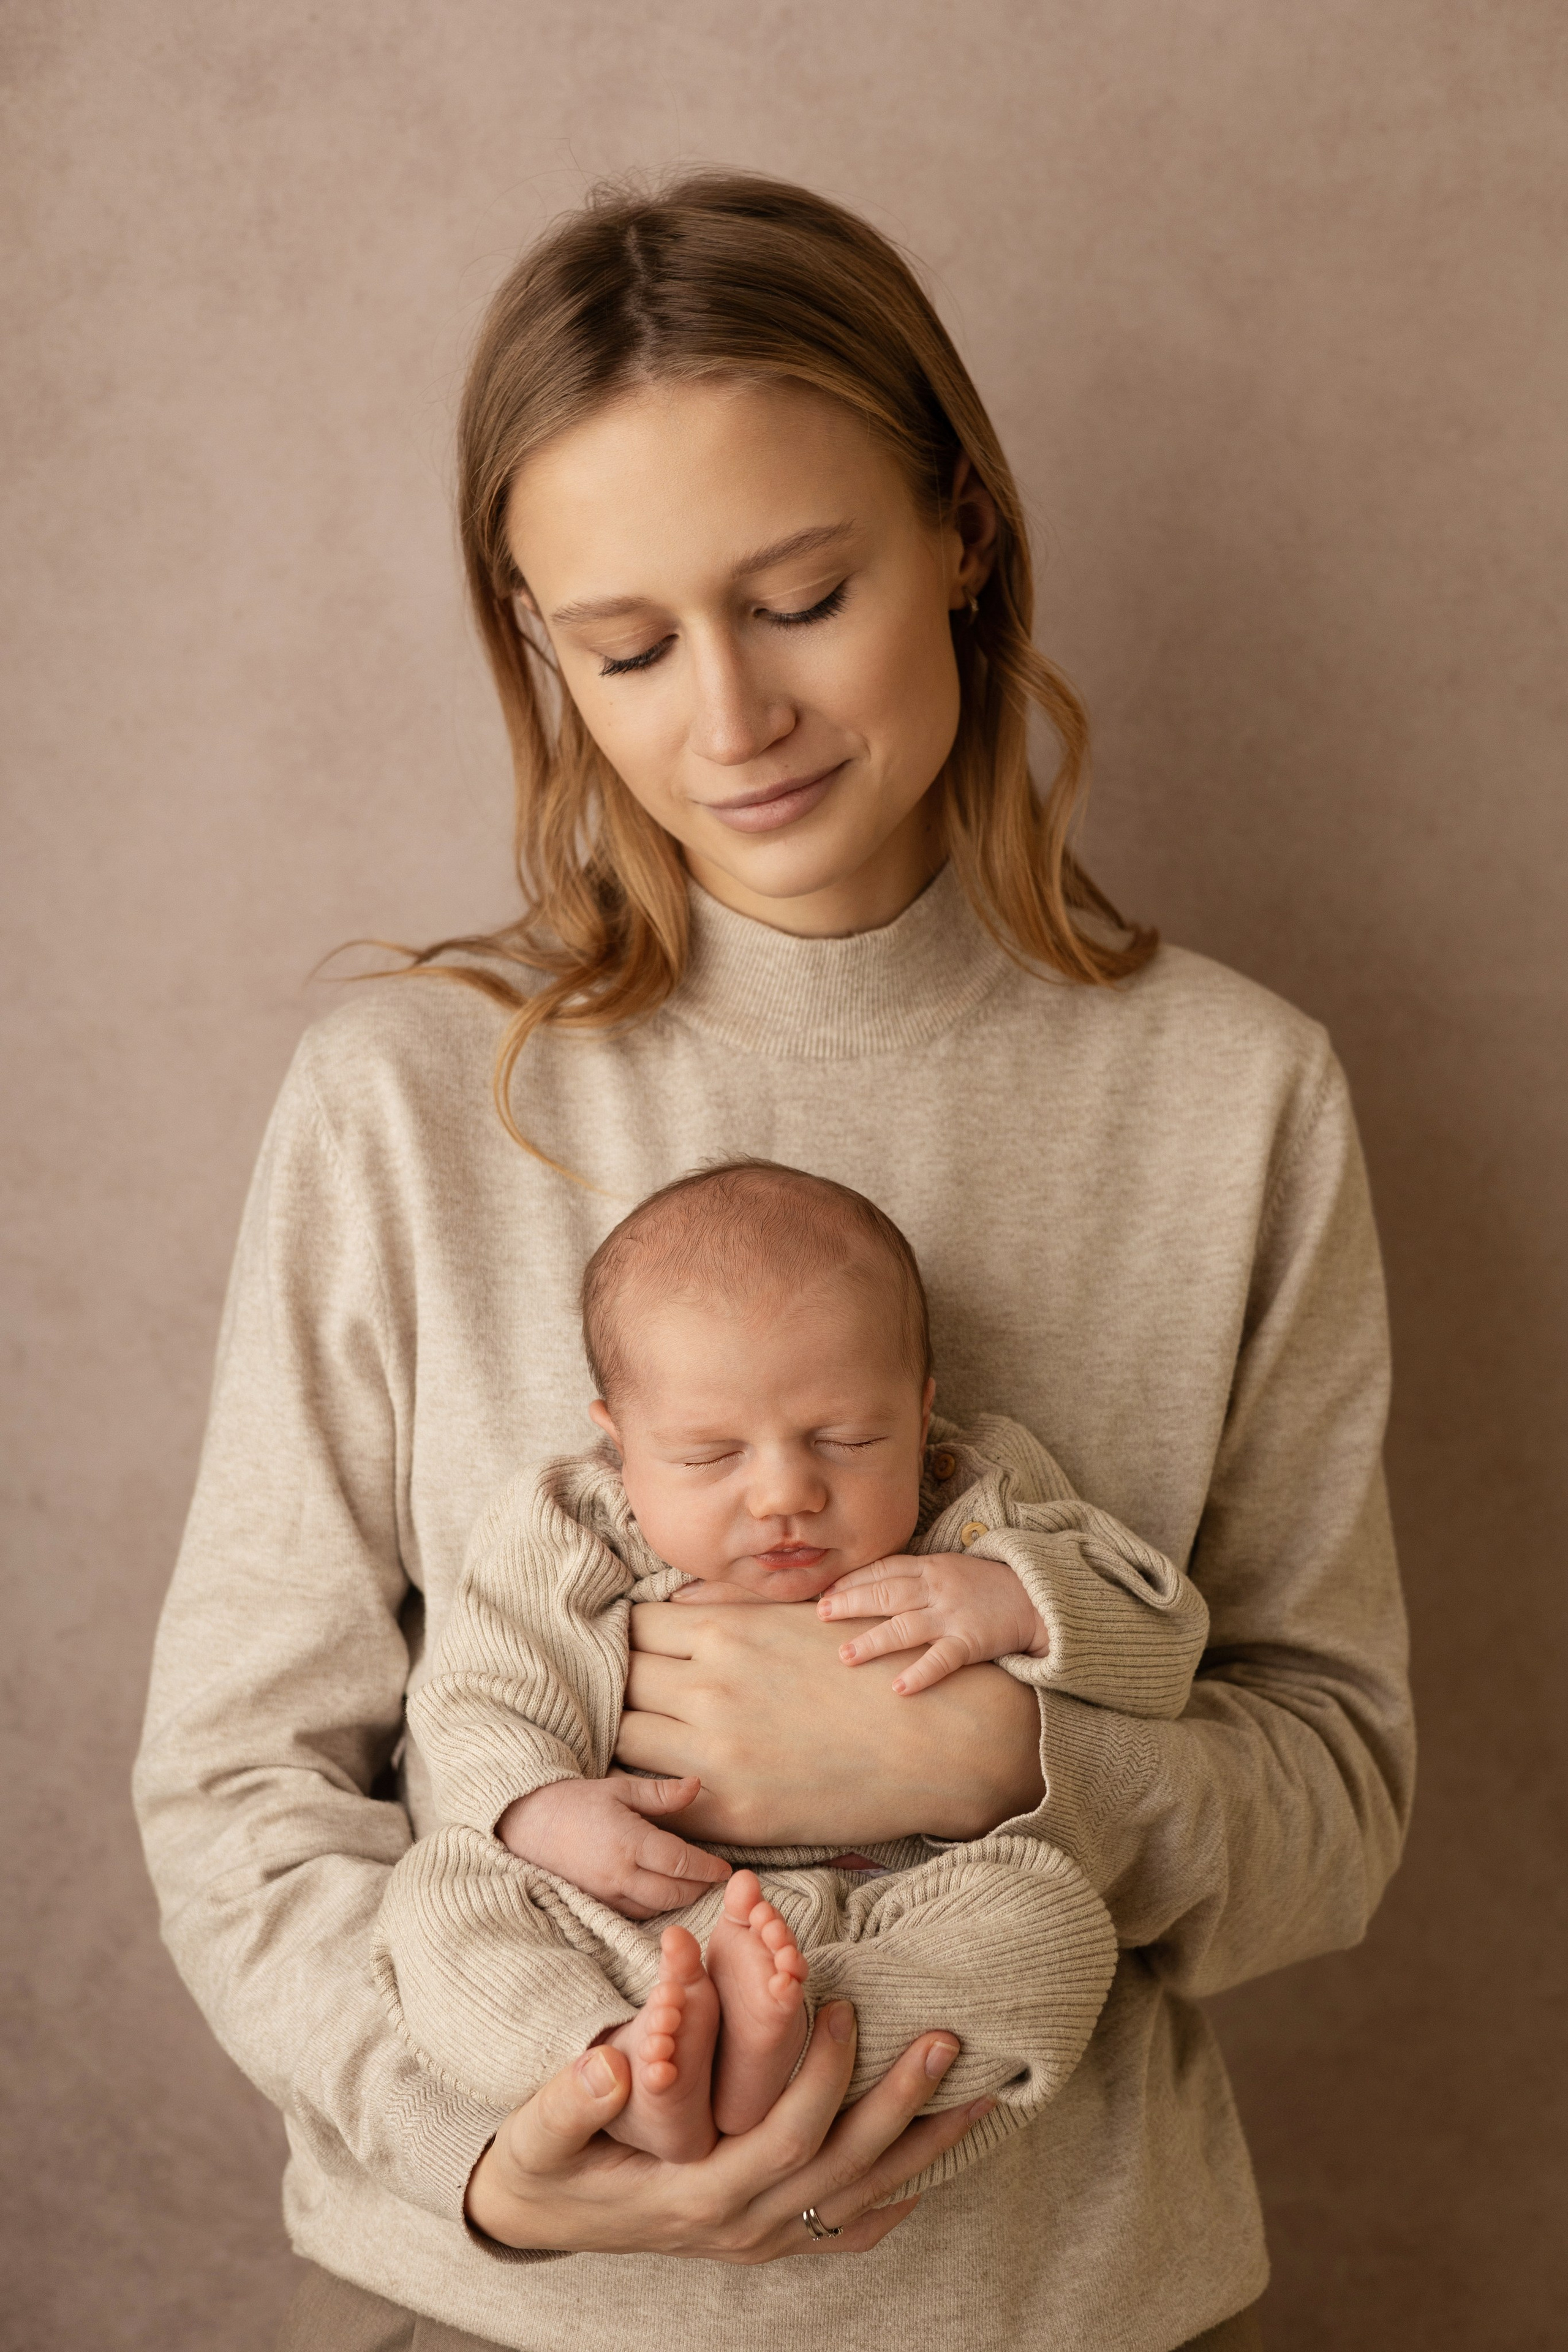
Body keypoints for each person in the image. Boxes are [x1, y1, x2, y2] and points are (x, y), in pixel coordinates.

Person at [132, 170, 1414, 2352]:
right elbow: (240, 1786)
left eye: (802, 597)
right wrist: (493, 2159)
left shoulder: (1237, 1097)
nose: (730, 720)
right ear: (538, 645)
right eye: (626, 647)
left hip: (1065, 2312)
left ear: (964, 534)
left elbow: (1337, 1801)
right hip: (509, 2316)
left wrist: (1007, 1767)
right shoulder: (403, 1103)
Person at [376, 1157, 1210, 2171]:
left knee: (1051, 1925)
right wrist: (542, 1811)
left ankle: (792, 2064)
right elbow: (478, 1699)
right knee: (443, 1889)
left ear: (922, 1414)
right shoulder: (566, 1527)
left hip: (895, 1925)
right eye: (707, 1456)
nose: (784, 1496)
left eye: (848, 1440)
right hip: (638, 1936)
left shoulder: (975, 1499)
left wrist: (1021, 1598)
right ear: (620, 1440)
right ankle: (610, 2071)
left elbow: (1166, 1642)